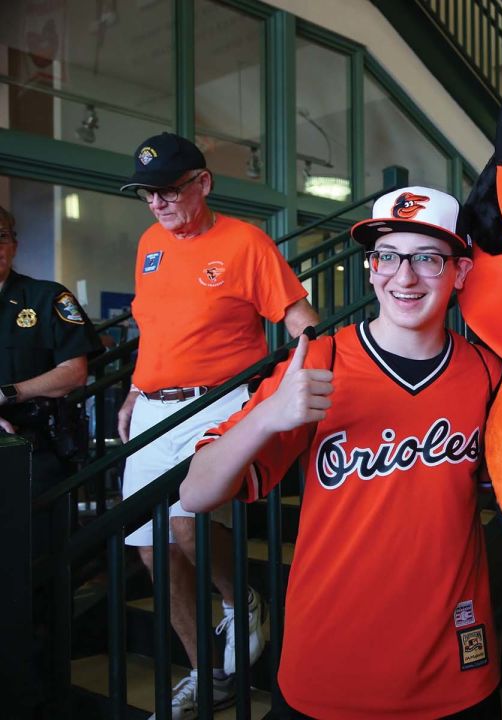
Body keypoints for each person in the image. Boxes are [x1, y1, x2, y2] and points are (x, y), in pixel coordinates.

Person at [180, 187, 502, 719]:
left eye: (427, 258)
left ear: (460, 273)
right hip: (329, 658)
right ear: (371, 269)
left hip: (453, 663)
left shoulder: (489, 373)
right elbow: (196, 493)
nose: (405, 277)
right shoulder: (319, 362)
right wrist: (267, 416)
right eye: (389, 257)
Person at [117, 132, 319, 717]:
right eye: (147, 194)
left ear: (202, 183)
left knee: (186, 526)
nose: (157, 203)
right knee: (153, 550)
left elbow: (303, 320)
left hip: (217, 402)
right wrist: (133, 390)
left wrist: (294, 387)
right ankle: (207, 675)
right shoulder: (150, 244)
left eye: (169, 191)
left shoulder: (245, 243)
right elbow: (154, 329)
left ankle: (240, 600)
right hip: (154, 407)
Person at [0, 203, 100, 501]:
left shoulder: (47, 297)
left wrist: (8, 392)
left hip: (35, 448)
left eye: (1, 236)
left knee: (36, 543)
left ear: (15, 245)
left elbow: (74, 373)